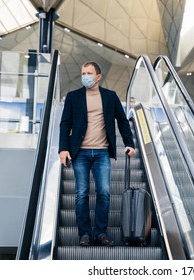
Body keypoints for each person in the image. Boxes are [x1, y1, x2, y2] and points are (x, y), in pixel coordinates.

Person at [59, 61, 135, 247]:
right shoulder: (73, 96)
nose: (85, 76)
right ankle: (84, 234)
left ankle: (101, 233)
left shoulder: (110, 96)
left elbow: (123, 121)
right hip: (80, 153)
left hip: (101, 152)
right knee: (81, 193)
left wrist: (129, 143)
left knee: (104, 193)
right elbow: (65, 123)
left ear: (98, 76)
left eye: (89, 73)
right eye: (83, 73)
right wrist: (63, 149)